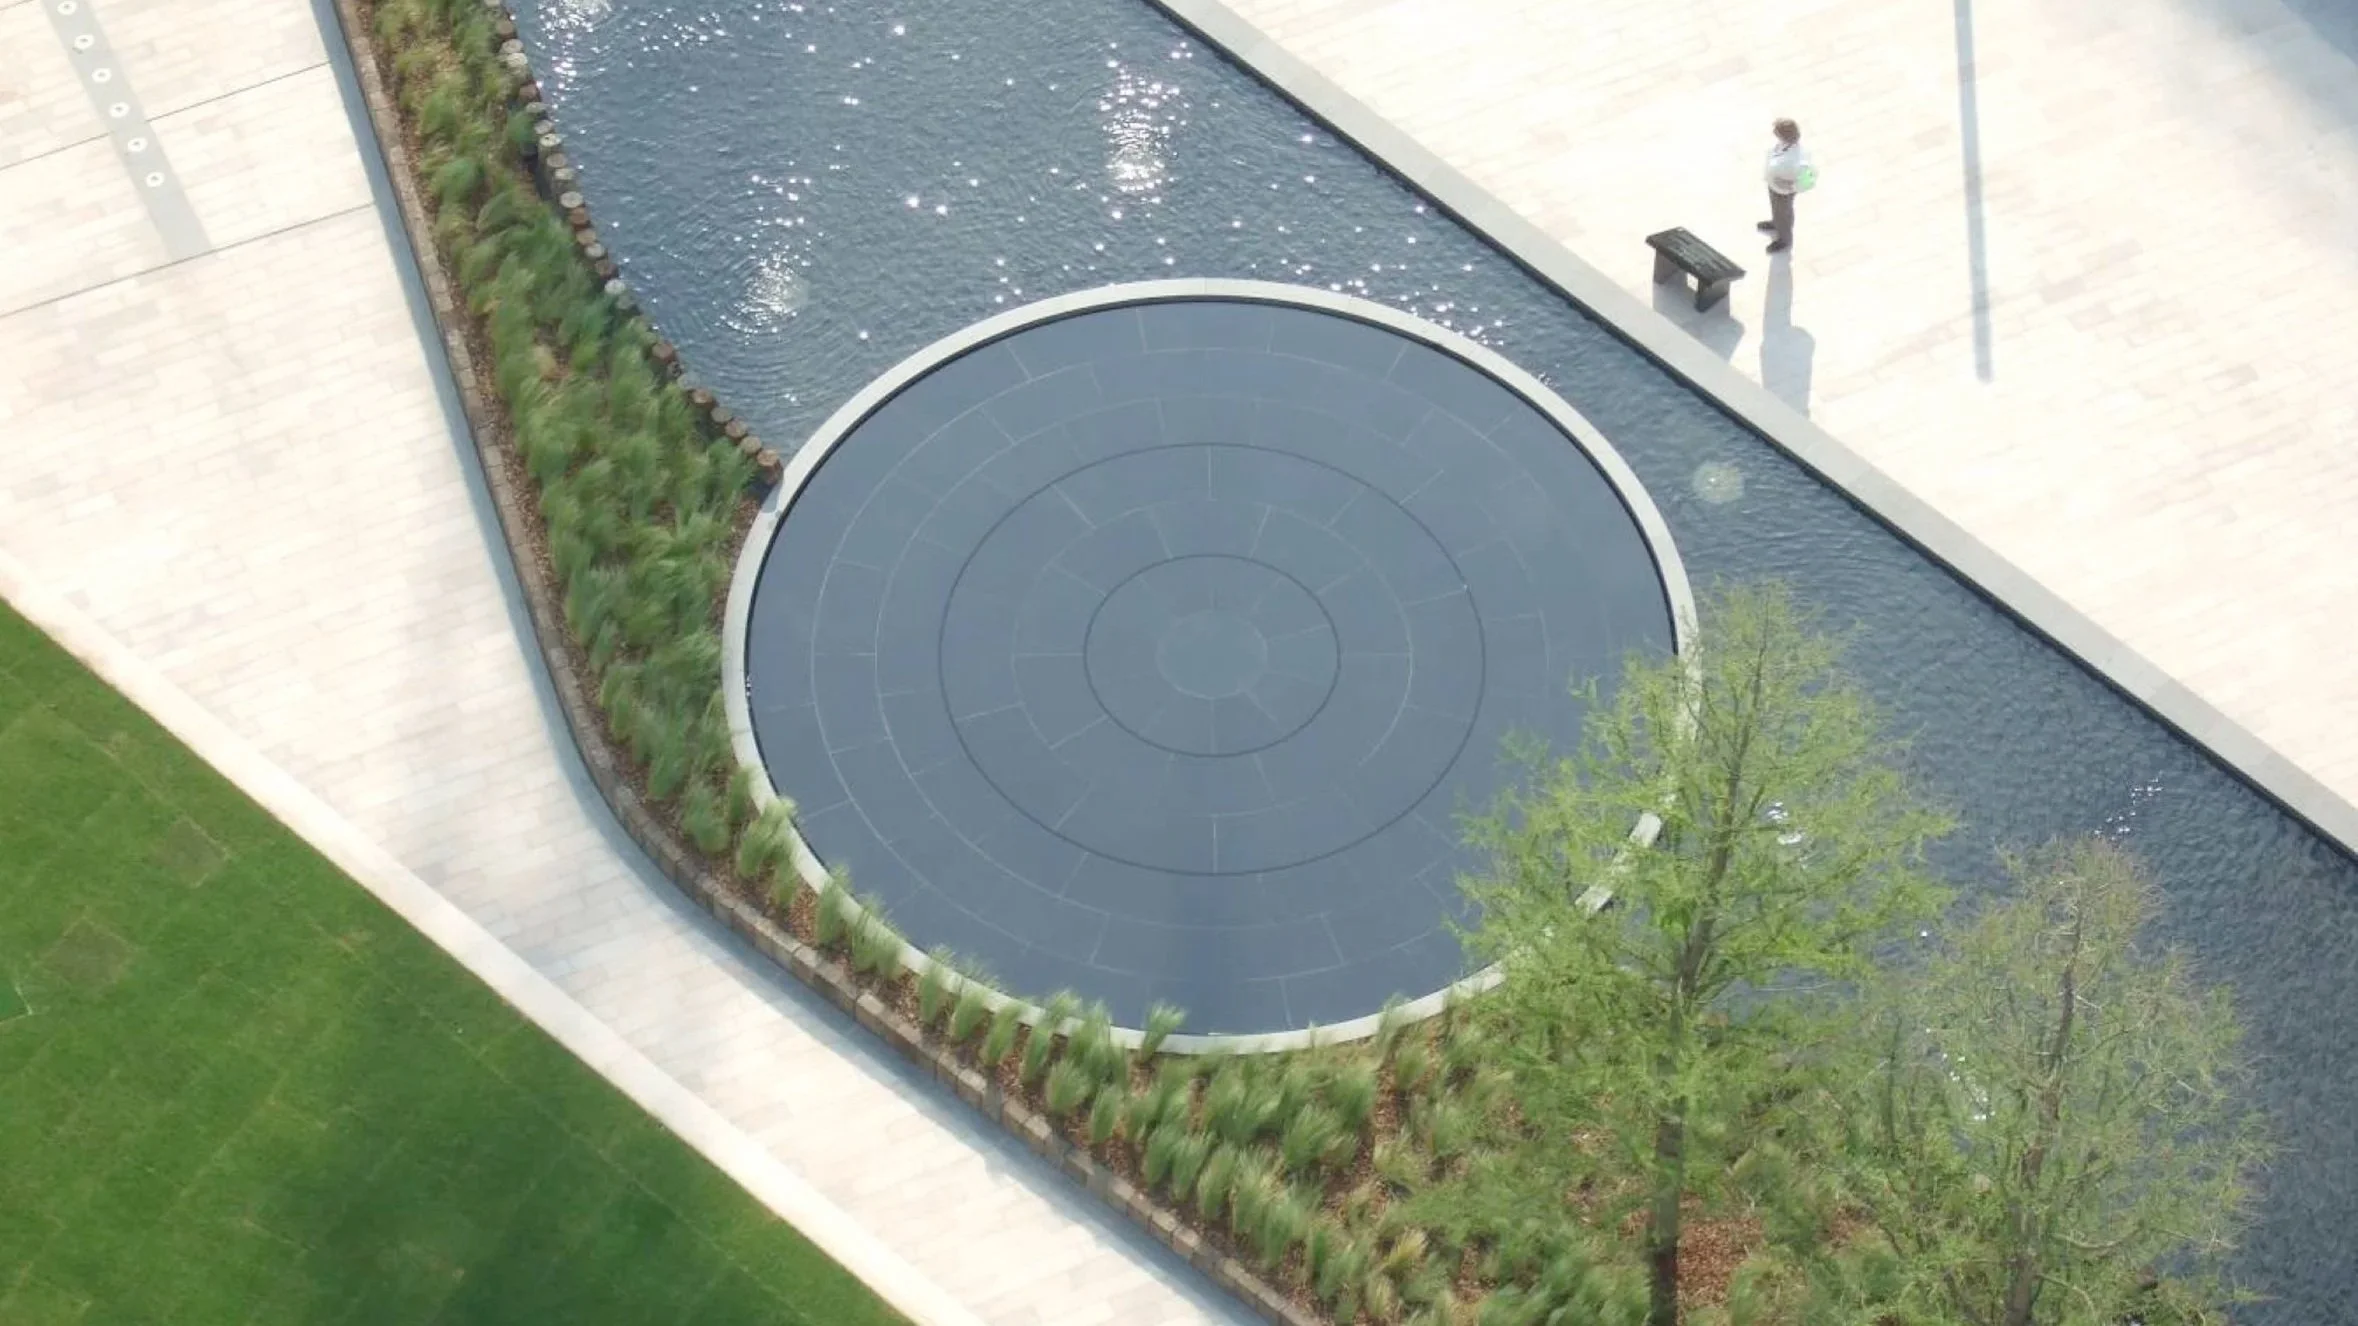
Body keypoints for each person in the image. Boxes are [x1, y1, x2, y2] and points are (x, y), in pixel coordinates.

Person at [1757, 119, 1808, 254]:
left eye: (1777, 132)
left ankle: (1784, 240)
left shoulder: (1798, 158)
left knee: (1784, 213)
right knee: (1777, 210)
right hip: (1775, 186)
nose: (1774, 133)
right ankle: (1776, 223)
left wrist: (1791, 187)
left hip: (1784, 191)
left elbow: (1807, 180)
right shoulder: (1783, 145)